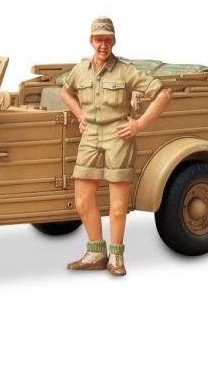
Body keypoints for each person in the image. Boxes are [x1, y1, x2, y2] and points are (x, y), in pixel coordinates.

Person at [61, 17, 171, 276]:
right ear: (91, 41)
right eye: (99, 40)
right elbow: (65, 91)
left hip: (118, 137)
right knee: (82, 200)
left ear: (114, 41)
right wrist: (79, 114)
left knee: (118, 206)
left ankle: (117, 257)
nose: (103, 45)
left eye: (108, 40)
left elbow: (163, 94)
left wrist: (139, 124)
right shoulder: (81, 69)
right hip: (90, 136)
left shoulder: (125, 71)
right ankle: (96, 253)